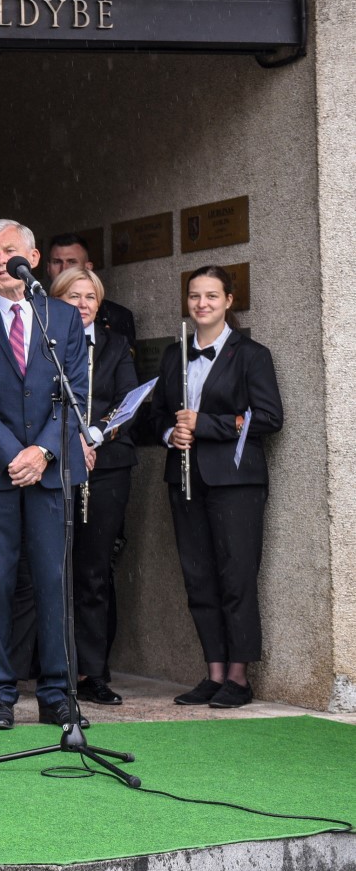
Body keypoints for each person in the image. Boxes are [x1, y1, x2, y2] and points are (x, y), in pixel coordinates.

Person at [0, 219, 87, 732]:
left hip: (50, 474)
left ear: (32, 257)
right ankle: (0, 694)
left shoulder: (62, 318)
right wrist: (15, 454)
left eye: (9, 251)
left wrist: (43, 452)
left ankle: (57, 694)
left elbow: (75, 393)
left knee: (54, 582)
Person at [151, 265, 282, 709]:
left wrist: (205, 424)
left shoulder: (252, 355)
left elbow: (269, 417)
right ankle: (214, 673)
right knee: (199, 578)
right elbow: (155, 415)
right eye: (194, 296)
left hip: (236, 483)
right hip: (184, 479)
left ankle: (239, 679)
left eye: (211, 296)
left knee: (236, 576)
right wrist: (171, 433)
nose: (202, 304)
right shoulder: (175, 355)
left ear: (228, 300)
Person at [50, 267, 137, 707]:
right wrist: (68, 440)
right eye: (73, 296)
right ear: (56, 300)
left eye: (90, 297)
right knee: (53, 570)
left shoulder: (115, 345)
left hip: (106, 466)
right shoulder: (44, 341)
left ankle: (92, 672)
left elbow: (127, 401)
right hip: (53, 463)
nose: (82, 304)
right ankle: (54, 668)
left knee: (94, 571)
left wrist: (94, 435)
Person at [46, 233, 137, 348]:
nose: (64, 269)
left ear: (88, 267)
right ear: (48, 268)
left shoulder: (117, 316)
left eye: (72, 262)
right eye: (57, 262)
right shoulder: (35, 313)